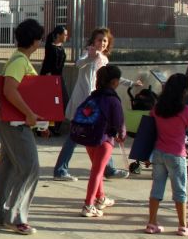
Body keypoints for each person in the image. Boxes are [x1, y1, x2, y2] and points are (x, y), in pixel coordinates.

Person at [53, 28, 141, 181]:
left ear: (108, 44)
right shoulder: (90, 53)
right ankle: (60, 171)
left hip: (95, 105)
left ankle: (108, 169)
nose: (102, 43)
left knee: (102, 135)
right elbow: (79, 64)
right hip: (83, 105)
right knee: (75, 136)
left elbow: (112, 78)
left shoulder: (104, 60)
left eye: (105, 41)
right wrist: (90, 57)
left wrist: (132, 83)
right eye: (99, 40)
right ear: (93, 41)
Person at [0, 18, 45, 235]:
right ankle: (15, 217)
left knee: (8, 167)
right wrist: (30, 114)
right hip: (16, 123)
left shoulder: (16, 58)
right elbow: (11, 90)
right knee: (30, 168)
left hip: (11, 122)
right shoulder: (20, 62)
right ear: (35, 41)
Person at [146, 73, 188, 236]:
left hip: (158, 152)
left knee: (156, 189)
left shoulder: (157, 108)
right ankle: (183, 225)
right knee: (180, 191)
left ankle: (152, 223)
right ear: (183, 91)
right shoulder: (184, 110)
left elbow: (151, 121)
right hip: (176, 154)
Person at [79, 65, 126, 218]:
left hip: (89, 138)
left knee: (96, 169)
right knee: (97, 172)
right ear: (114, 82)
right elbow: (119, 121)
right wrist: (121, 134)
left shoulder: (92, 97)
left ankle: (100, 198)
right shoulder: (113, 100)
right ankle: (88, 205)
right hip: (104, 140)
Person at [40, 26, 69, 135]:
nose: (66, 37)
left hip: (58, 78)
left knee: (63, 103)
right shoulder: (51, 48)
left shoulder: (61, 47)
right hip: (50, 79)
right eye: (65, 34)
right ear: (58, 35)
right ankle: (46, 129)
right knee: (50, 105)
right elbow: (48, 65)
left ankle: (54, 128)